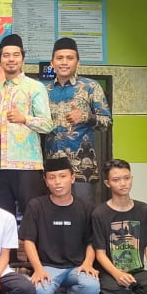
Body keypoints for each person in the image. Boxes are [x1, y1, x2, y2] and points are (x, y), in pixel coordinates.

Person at [0, 34, 53, 216]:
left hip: (27, 167)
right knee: (2, 218)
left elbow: (48, 124)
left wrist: (25, 119)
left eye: (16, 55)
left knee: (32, 217)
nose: (11, 59)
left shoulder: (35, 87)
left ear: (23, 58)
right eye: (6, 55)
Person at [19, 157, 100, 294]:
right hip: (48, 267)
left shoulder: (85, 207)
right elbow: (28, 240)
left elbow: (91, 241)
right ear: (46, 181)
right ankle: (41, 281)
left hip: (77, 267)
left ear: (72, 178)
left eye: (63, 176)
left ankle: (68, 289)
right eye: (52, 177)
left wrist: (88, 264)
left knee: (91, 290)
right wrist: (38, 269)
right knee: (40, 292)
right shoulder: (36, 206)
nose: (57, 182)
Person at [44, 37, 112, 205]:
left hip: (82, 167)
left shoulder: (90, 87)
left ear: (78, 62)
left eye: (70, 58)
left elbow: (107, 122)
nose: (64, 62)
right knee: (54, 215)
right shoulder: (44, 90)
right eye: (60, 58)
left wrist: (85, 117)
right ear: (52, 63)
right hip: (53, 167)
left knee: (84, 213)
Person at [92, 159, 147, 294]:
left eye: (126, 178)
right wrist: (117, 274)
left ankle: (132, 288)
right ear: (107, 183)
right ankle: (128, 290)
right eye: (116, 180)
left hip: (136, 271)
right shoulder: (99, 213)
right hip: (110, 272)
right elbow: (100, 254)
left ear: (132, 179)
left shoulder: (144, 210)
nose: (123, 183)